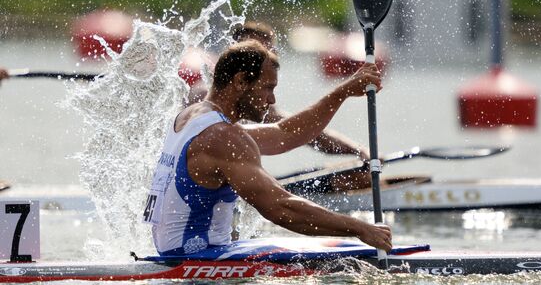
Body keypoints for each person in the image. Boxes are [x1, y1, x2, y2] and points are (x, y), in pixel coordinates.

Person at [143, 40, 391, 256]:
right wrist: (360, 228)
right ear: (240, 81)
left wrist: (342, 92)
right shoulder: (222, 137)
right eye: (268, 88)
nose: (272, 100)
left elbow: (284, 133)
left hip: (176, 253)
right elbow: (280, 208)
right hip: (194, 261)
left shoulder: (194, 117)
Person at [183, 21, 371, 165]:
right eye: (257, 53)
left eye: (269, 52)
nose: (267, 60)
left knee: (355, 178)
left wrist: (356, 149)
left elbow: (289, 130)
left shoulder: (251, 98)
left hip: (232, 174)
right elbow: (287, 134)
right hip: (207, 181)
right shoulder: (204, 95)